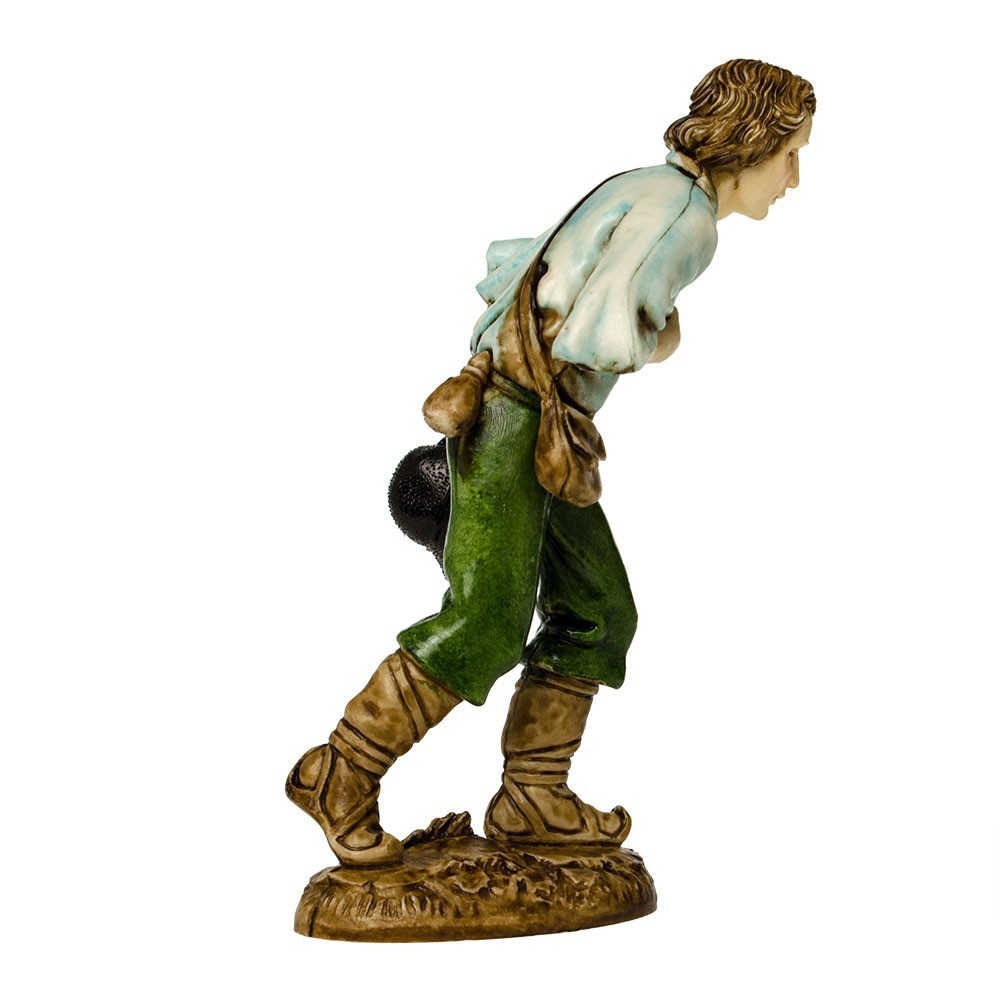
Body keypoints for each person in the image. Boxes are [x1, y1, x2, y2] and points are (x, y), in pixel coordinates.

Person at [287, 59, 816, 867]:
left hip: (535, 419)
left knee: (596, 609)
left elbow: (525, 272)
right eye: (790, 155)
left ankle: (533, 793)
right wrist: (664, 335)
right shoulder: (687, 221)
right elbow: (604, 333)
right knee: (487, 621)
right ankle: (342, 769)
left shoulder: (646, 185)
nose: (794, 179)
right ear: (750, 144)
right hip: (520, 418)